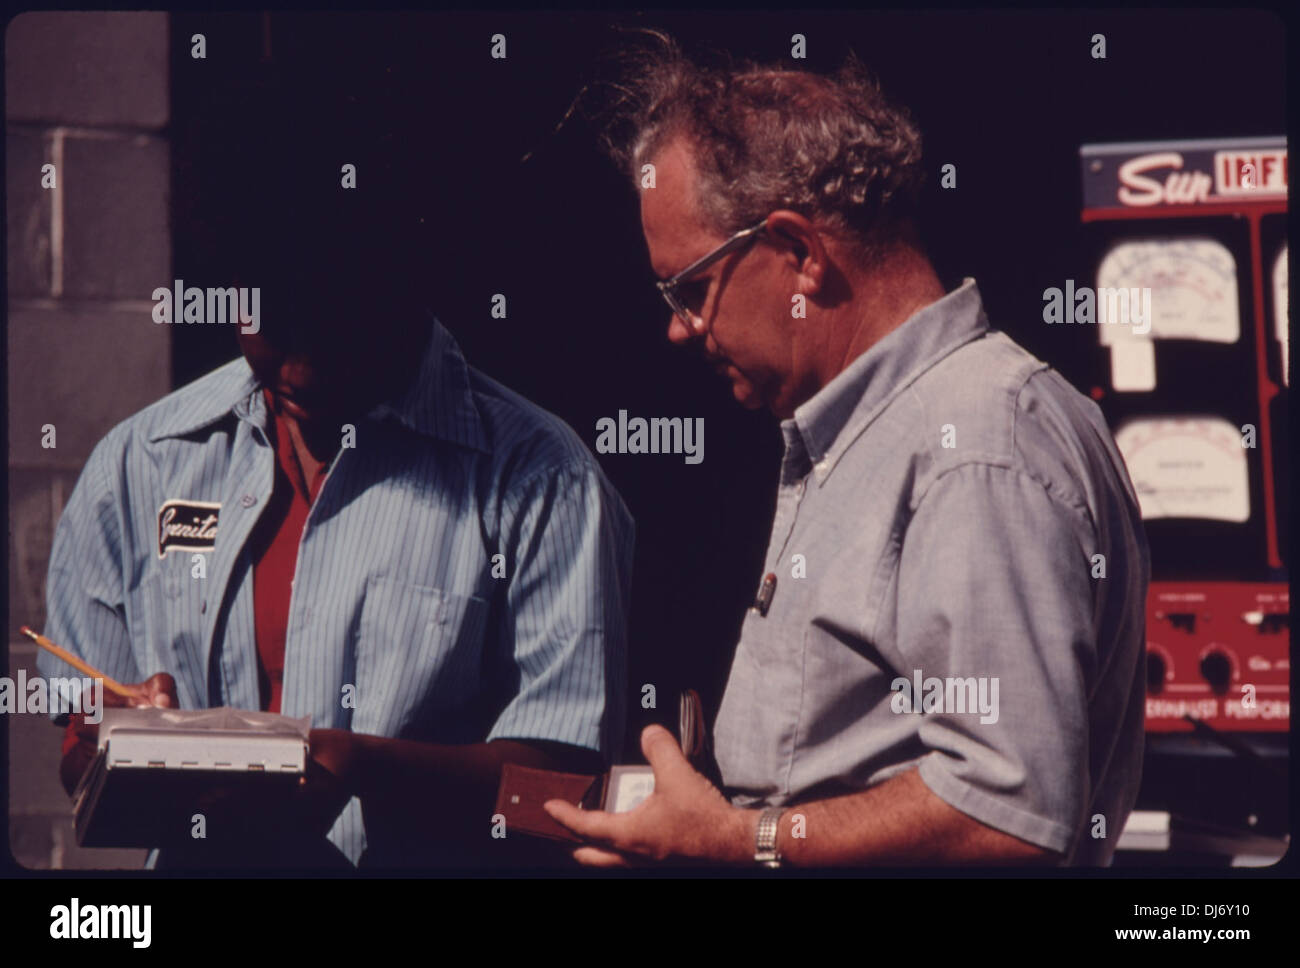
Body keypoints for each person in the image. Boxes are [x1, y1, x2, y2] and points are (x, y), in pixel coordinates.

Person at [546, 37, 1149, 867]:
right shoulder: (901, 430)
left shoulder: (974, 447)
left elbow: (1008, 813)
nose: (678, 329)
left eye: (689, 289)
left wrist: (733, 839)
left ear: (798, 253)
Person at [40, 77, 634, 870]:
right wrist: (121, 742)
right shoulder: (138, 464)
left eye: (338, 320)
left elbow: (568, 792)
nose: (302, 368)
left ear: (409, 277)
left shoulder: (538, 479)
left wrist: (363, 766)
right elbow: (79, 753)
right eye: (271, 322)